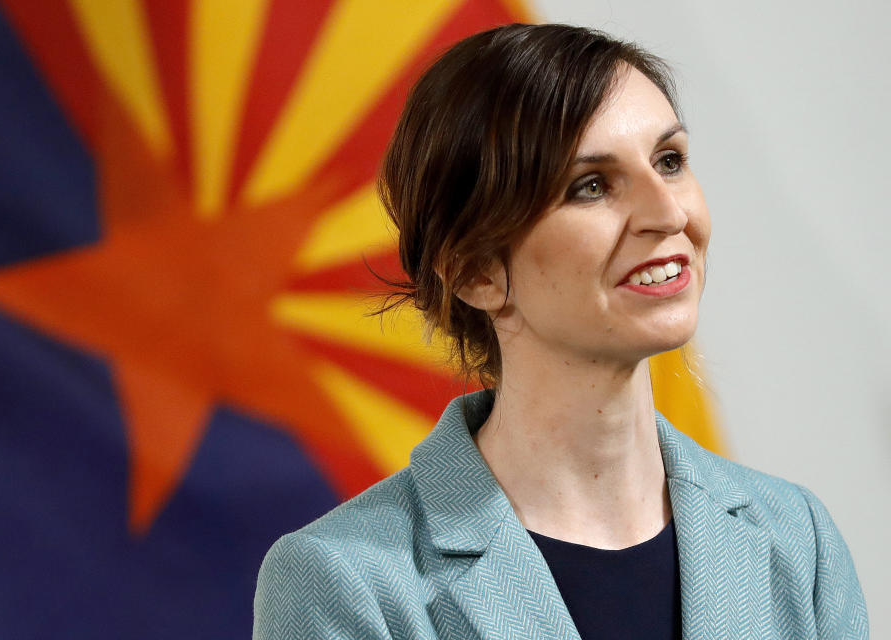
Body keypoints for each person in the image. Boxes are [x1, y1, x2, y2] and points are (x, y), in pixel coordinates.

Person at [252, 23, 868, 639]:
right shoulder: (343, 579)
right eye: (592, 186)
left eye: (669, 161)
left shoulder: (797, 537)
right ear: (475, 273)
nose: (669, 213)